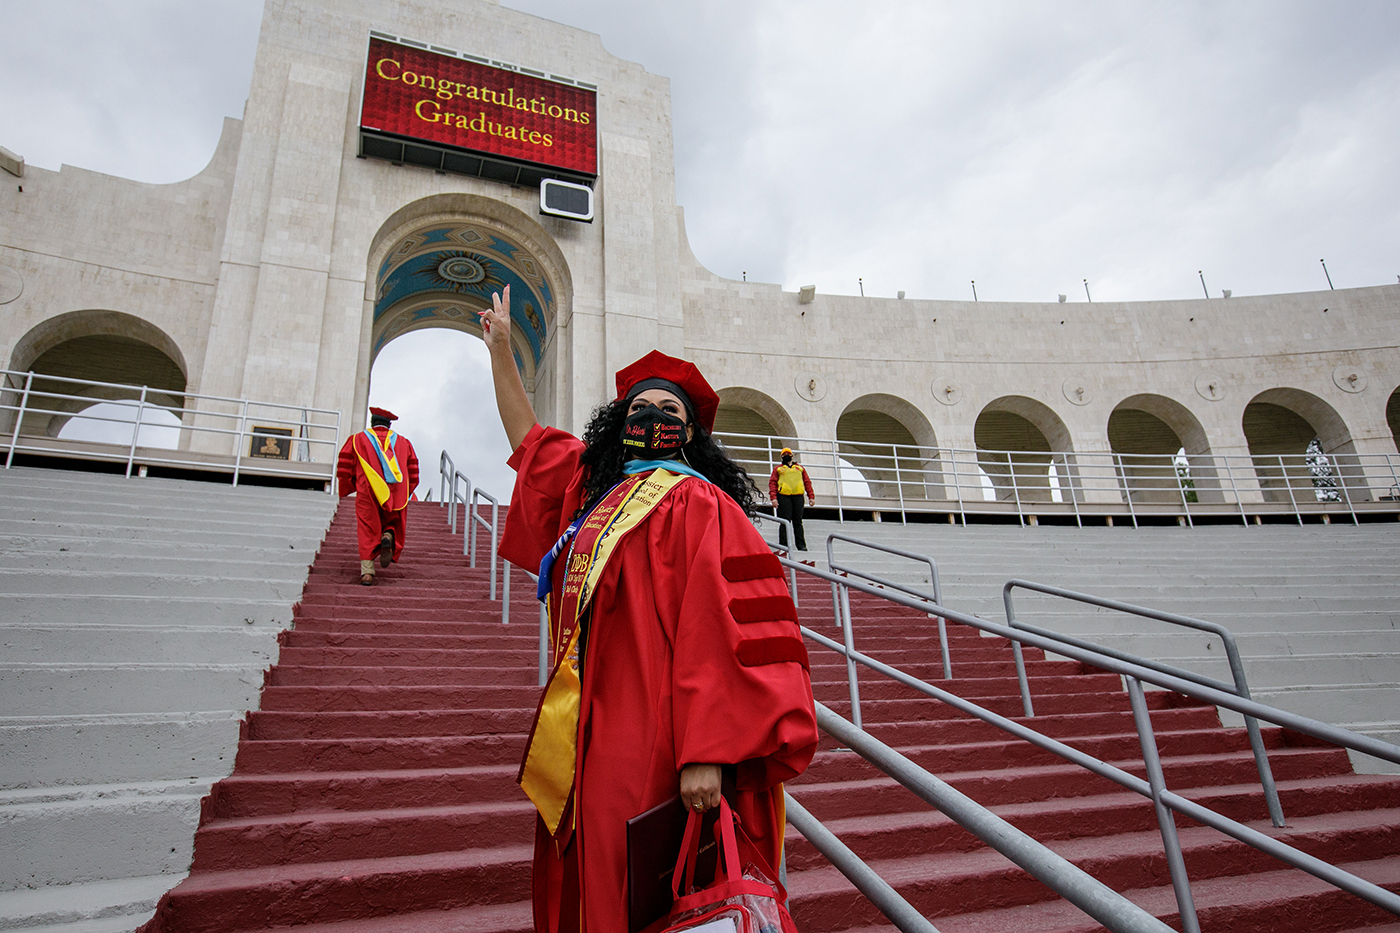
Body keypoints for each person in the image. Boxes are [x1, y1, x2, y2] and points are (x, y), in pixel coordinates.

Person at [481, 284, 818, 933]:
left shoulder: (701, 504)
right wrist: (500, 350)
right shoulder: (593, 496)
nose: (654, 415)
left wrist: (707, 749)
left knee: (640, 886)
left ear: (691, 431)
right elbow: (529, 443)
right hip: (582, 729)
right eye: (641, 406)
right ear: (620, 421)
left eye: (670, 409)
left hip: (661, 736)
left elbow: (718, 631)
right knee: (586, 871)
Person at [335, 407, 419, 585]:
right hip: (396, 491)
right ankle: (388, 535)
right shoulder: (404, 443)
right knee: (393, 520)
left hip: (367, 489)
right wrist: (408, 491)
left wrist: (348, 487)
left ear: (372, 423)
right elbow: (413, 472)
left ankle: (367, 572)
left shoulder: (357, 440)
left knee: (367, 526)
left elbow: (344, 468)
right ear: (389, 425)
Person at [768, 447, 815, 552]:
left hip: (798, 496)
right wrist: (774, 498)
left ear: (792, 456)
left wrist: (811, 496)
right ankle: (783, 545)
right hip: (784, 496)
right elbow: (772, 483)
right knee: (785, 521)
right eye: (784, 455)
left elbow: (807, 482)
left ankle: (801, 545)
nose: (786, 456)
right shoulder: (778, 469)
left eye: (788, 454)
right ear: (781, 456)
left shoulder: (800, 468)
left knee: (798, 521)